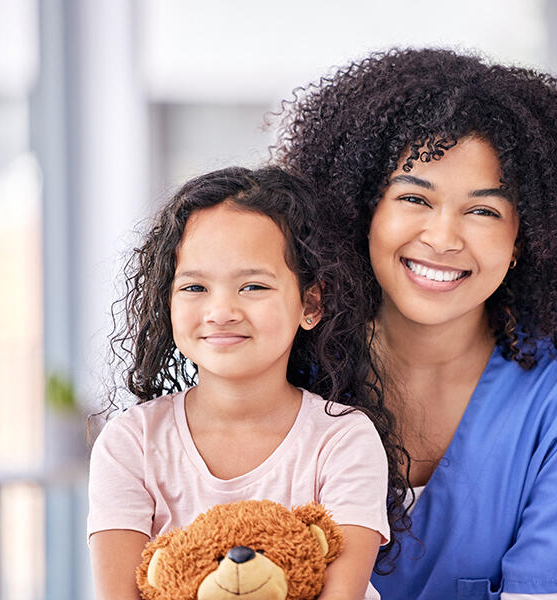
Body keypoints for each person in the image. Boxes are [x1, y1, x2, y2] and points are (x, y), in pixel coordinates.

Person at [276, 48, 557, 600]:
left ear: (525, 237)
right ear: (361, 210)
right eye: (413, 198)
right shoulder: (288, 365)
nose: (443, 238)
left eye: (483, 211)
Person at [88, 167, 406, 600]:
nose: (221, 310)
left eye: (253, 286)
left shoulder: (343, 439)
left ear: (310, 303)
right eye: (195, 286)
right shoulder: (131, 443)